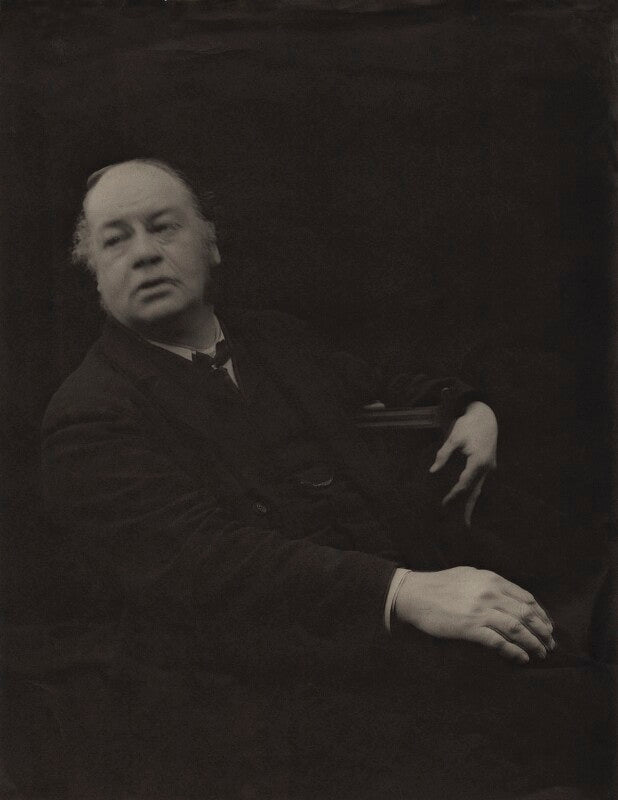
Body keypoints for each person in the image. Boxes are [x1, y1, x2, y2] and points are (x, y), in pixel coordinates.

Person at [40, 159, 611, 800]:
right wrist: (404, 591)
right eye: (116, 239)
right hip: (257, 708)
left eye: (163, 227)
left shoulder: (276, 341)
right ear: (93, 271)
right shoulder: (89, 415)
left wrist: (470, 407)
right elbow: (208, 564)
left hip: (403, 658)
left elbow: (388, 385)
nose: (145, 253)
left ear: (211, 243)